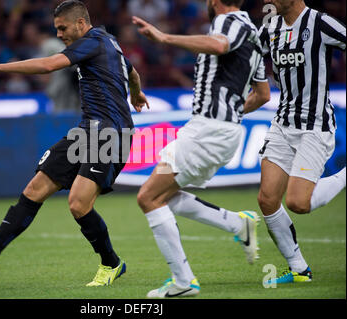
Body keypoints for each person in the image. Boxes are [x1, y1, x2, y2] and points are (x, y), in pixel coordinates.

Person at [0, 0, 149, 287]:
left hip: (110, 133)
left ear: (81, 23)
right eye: (56, 29)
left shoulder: (92, 41)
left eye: (62, 28)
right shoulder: (109, 41)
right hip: (87, 130)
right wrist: (137, 94)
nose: (58, 34)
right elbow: (133, 73)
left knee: (78, 204)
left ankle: (111, 264)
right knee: (34, 188)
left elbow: (49, 65)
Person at [133, 0, 271, 298]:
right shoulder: (255, 35)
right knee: (164, 196)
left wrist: (164, 37)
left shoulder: (227, 22)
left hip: (209, 128)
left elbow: (219, 46)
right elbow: (262, 94)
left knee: (148, 197)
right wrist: (231, 116)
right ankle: (237, 223)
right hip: (221, 130)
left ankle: (183, 281)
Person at [257, 0, 346, 284]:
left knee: (297, 202)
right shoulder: (270, 26)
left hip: (314, 126)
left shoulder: (320, 23)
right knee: (267, 199)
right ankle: (298, 269)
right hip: (282, 123)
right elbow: (248, 53)